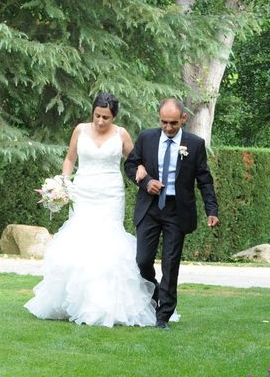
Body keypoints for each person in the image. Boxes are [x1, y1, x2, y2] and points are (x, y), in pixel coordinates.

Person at [24, 92, 156, 327]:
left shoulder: (121, 134)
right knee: (81, 242)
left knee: (108, 243)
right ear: (92, 112)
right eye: (97, 115)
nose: (101, 121)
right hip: (83, 193)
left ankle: (107, 304)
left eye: (106, 117)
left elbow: (134, 159)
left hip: (110, 195)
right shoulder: (80, 130)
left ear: (114, 116)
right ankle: (76, 301)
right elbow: (70, 159)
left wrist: (142, 170)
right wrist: (63, 182)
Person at [124, 98, 219, 330]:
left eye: (173, 123)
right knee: (142, 260)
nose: (168, 128)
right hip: (150, 208)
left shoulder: (194, 144)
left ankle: (163, 315)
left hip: (178, 210)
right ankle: (155, 291)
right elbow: (130, 165)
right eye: (164, 122)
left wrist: (211, 210)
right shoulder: (147, 137)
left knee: (170, 262)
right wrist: (146, 181)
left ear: (183, 119)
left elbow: (204, 179)